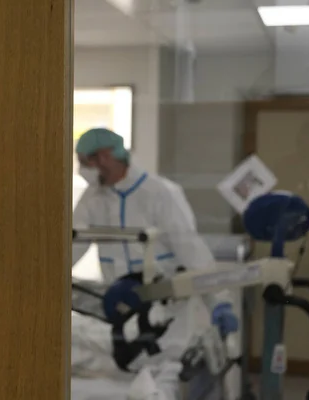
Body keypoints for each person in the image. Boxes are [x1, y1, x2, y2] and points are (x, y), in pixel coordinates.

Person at [73, 128, 238, 400]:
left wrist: (220, 301)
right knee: (131, 380)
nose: (82, 170)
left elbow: (193, 254)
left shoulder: (160, 193)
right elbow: (71, 246)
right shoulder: (93, 198)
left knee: (165, 380)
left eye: (83, 162)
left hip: (167, 314)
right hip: (123, 310)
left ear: (103, 157)